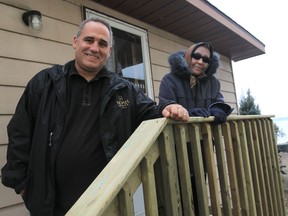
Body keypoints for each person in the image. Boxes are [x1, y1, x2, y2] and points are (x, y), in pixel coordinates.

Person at [1, 18, 189, 216]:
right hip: (50, 203)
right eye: (88, 40)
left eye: (102, 44)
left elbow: (151, 111)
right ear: (75, 42)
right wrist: (22, 185)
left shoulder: (124, 90)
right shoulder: (45, 82)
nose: (94, 48)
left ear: (109, 52)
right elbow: (19, 133)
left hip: (108, 201)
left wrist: (169, 107)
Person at [159, 42, 233, 214]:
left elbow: (219, 102)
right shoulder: (169, 80)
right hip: (176, 150)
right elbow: (165, 105)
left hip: (202, 149)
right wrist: (189, 113)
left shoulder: (213, 83)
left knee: (199, 193)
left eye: (206, 59)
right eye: (197, 56)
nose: (200, 62)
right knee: (178, 197)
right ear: (188, 57)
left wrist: (217, 109)